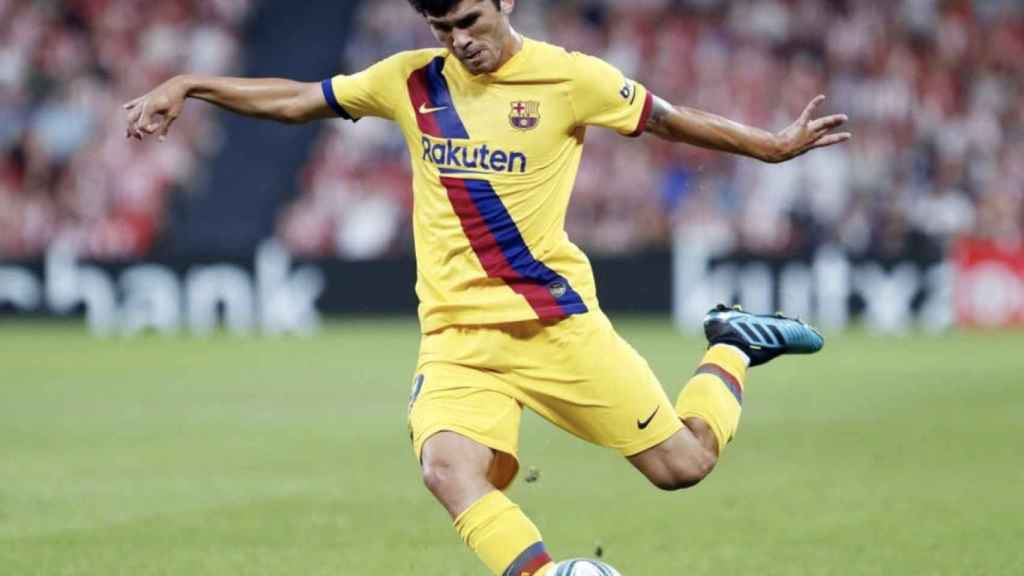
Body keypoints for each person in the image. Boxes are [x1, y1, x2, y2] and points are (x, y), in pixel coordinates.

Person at [124, 0, 850, 573]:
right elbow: (295, 100)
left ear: (505, 1)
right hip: (458, 341)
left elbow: (668, 121)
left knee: (683, 466)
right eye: (443, 27)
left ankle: (730, 347)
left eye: (469, 21)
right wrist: (192, 84)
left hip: (556, 326)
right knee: (449, 469)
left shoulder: (573, 78)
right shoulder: (410, 80)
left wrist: (771, 145)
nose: (458, 40)